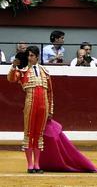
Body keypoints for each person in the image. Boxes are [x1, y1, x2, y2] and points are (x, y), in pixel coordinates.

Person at [6, 46, 53, 174]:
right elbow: (11, 79)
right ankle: (30, 164)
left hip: (44, 105)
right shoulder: (22, 71)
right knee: (29, 134)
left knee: (39, 135)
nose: (29, 58)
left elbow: (50, 92)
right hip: (30, 103)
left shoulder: (45, 71)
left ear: (37, 56)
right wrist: (13, 66)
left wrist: (50, 110)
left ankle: (37, 164)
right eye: (28, 55)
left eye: (32, 55)